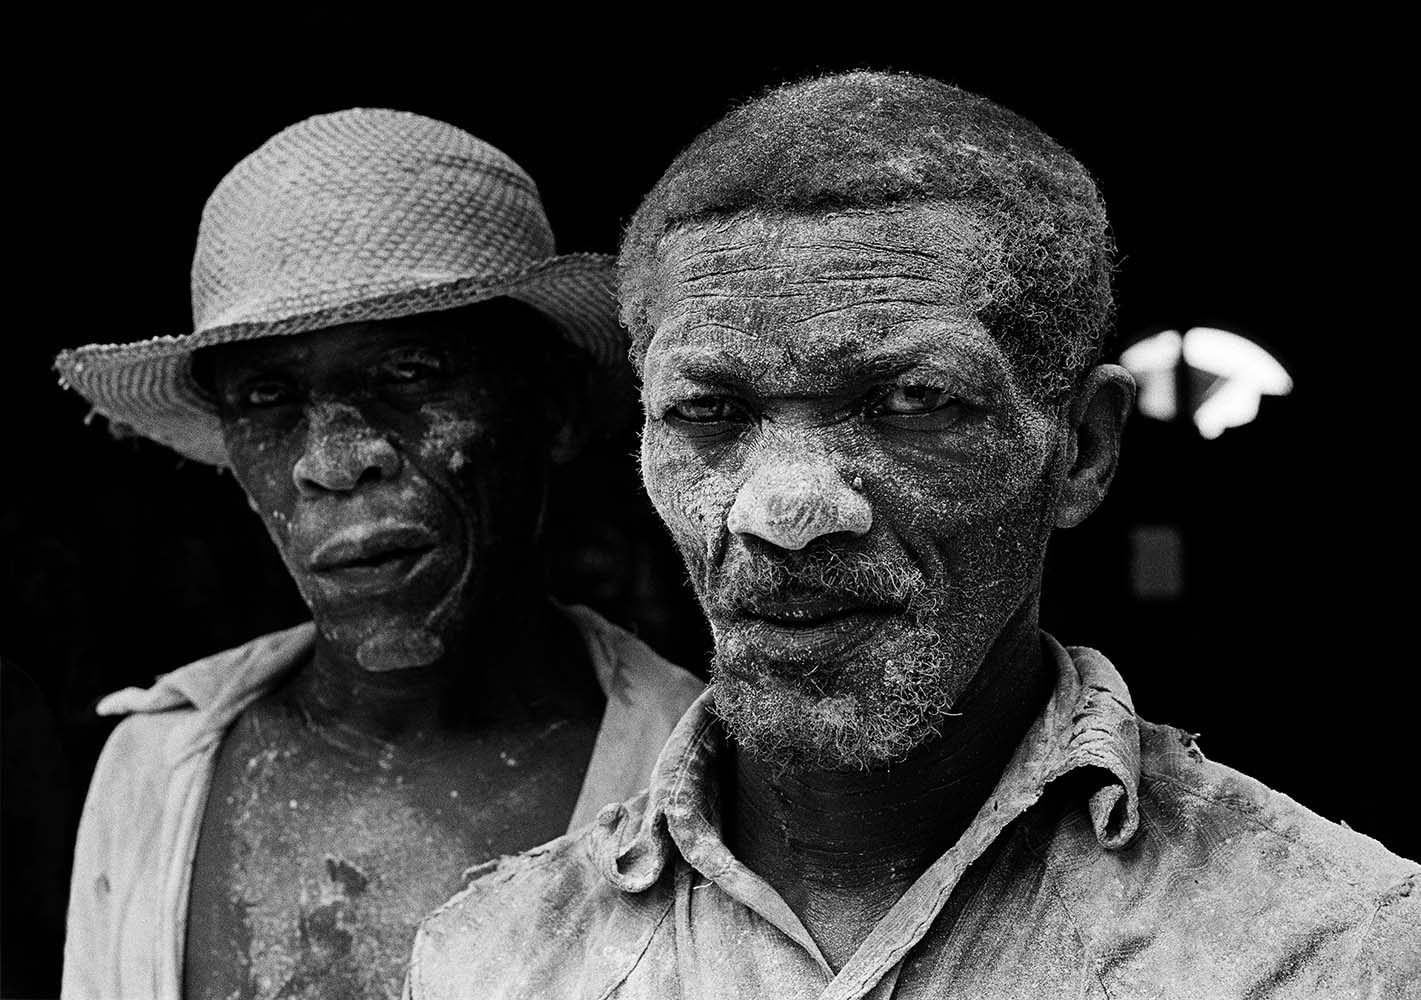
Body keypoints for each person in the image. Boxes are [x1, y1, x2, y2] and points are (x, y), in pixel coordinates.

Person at [405, 72, 1419, 998]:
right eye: (707, 411)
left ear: (1081, 451)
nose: (785, 513)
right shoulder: (494, 959)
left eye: (909, 398)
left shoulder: (1328, 947)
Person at [55, 108, 702, 1000]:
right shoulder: (154, 772)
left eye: (407, 375)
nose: (333, 460)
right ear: (236, 462)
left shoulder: (710, 790)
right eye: (268, 396)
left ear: (549, 404)